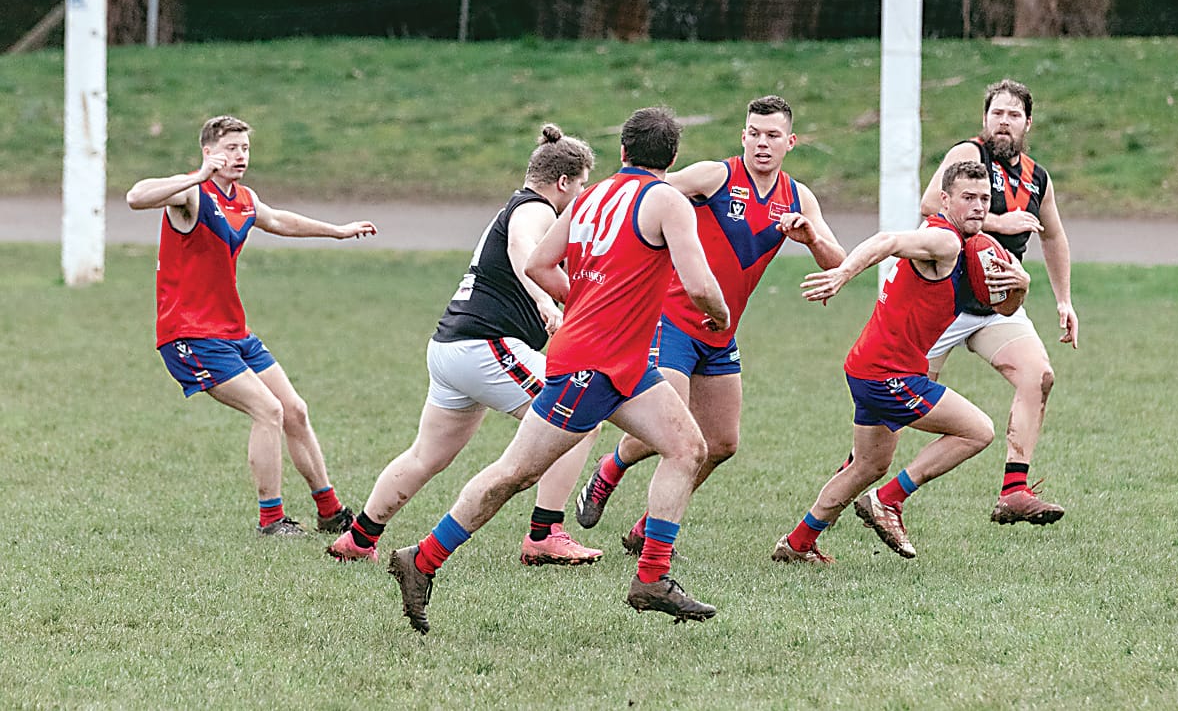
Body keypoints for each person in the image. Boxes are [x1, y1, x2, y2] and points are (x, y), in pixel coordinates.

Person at [386, 107, 731, 634]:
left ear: (622, 152)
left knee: (688, 448)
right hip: (590, 365)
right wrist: (720, 315)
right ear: (673, 158)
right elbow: (701, 286)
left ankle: (652, 577)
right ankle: (422, 559)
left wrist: (581, 301)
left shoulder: (591, 196)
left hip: (623, 363)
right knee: (515, 474)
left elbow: (539, 265)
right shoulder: (667, 201)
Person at [571, 95, 846, 555]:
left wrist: (811, 237)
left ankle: (645, 525)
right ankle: (612, 472)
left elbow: (838, 263)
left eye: (773, 136)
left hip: (719, 335)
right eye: (754, 134)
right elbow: (640, 191)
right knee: (674, 427)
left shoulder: (799, 198)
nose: (762, 143)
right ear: (743, 136)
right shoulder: (714, 176)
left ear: (790, 142)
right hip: (671, 321)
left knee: (721, 442)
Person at [326, 125, 604, 566]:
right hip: (485, 346)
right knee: (581, 418)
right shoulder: (536, 210)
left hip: (451, 349)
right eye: (583, 183)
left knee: (427, 455)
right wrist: (544, 301)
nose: (584, 192)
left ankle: (358, 540)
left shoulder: (516, 205)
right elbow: (521, 248)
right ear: (564, 182)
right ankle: (545, 533)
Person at [126, 114, 377, 536]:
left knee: (295, 411)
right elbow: (136, 196)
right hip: (190, 335)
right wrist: (197, 176)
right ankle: (271, 520)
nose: (239, 156)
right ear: (208, 152)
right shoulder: (191, 192)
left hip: (233, 332)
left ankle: (330, 511)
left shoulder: (243, 198)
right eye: (230, 148)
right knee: (268, 410)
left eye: (244, 148)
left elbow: (280, 220)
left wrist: (337, 231)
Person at [772, 161, 1029, 564]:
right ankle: (889, 501)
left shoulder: (973, 246)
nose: (978, 206)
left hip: (869, 367)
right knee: (978, 431)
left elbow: (1004, 307)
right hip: (887, 374)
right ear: (945, 200)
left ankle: (797, 543)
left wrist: (1022, 286)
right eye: (968, 198)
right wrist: (842, 274)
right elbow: (886, 240)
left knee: (867, 465)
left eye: (984, 198)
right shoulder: (943, 241)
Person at [920, 78, 1078, 526]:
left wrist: (1064, 301)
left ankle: (1014, 490)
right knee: (895, 400)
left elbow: (1055, 236)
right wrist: (999, 220)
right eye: (996, 113)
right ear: (984, 119)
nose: (1003, 122)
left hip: (995, 306)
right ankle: (856, 470)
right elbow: (930, 202)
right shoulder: (967, 156)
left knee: (1039, 376)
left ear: (1028, 122)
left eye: (1012, 114)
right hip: (943, 300)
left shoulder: (1037, 178)